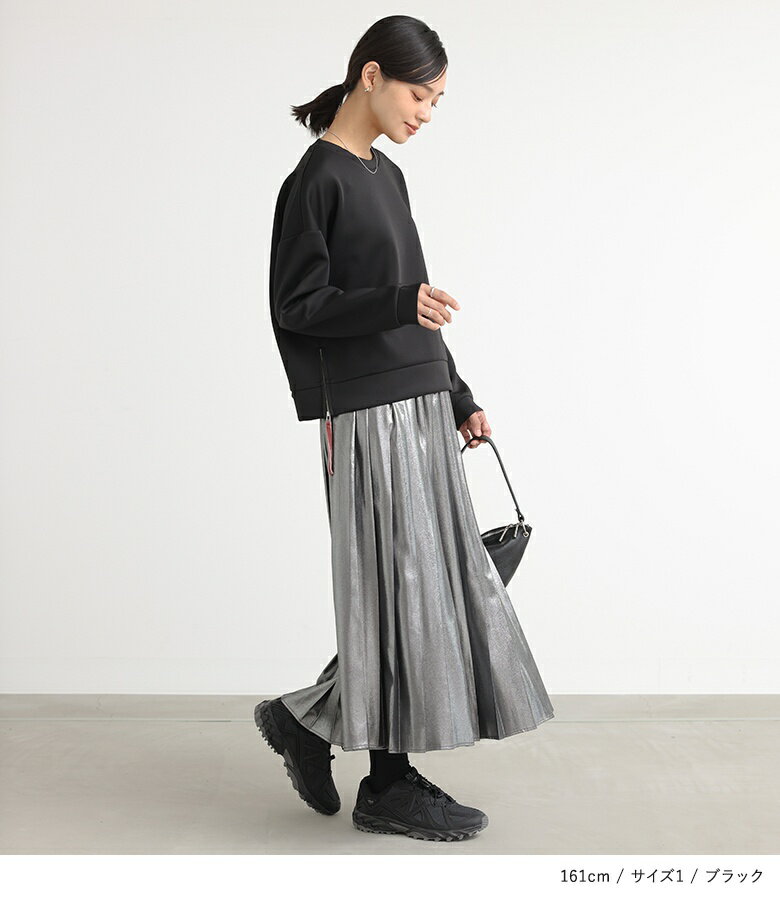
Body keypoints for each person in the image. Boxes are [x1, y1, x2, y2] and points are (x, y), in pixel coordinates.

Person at [255, 14, 554, 842]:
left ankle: (310, 724)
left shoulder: (387, 177)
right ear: (372, 75)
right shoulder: (316, 179)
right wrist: (397, 306)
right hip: (364, 411)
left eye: (437, 101)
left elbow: (412, 302)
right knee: (397, 589)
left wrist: (458, 394)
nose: (427, 112)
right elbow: (297, 305)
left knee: (430, 588)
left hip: (419, 401)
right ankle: (384, 783)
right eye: (421, 95)